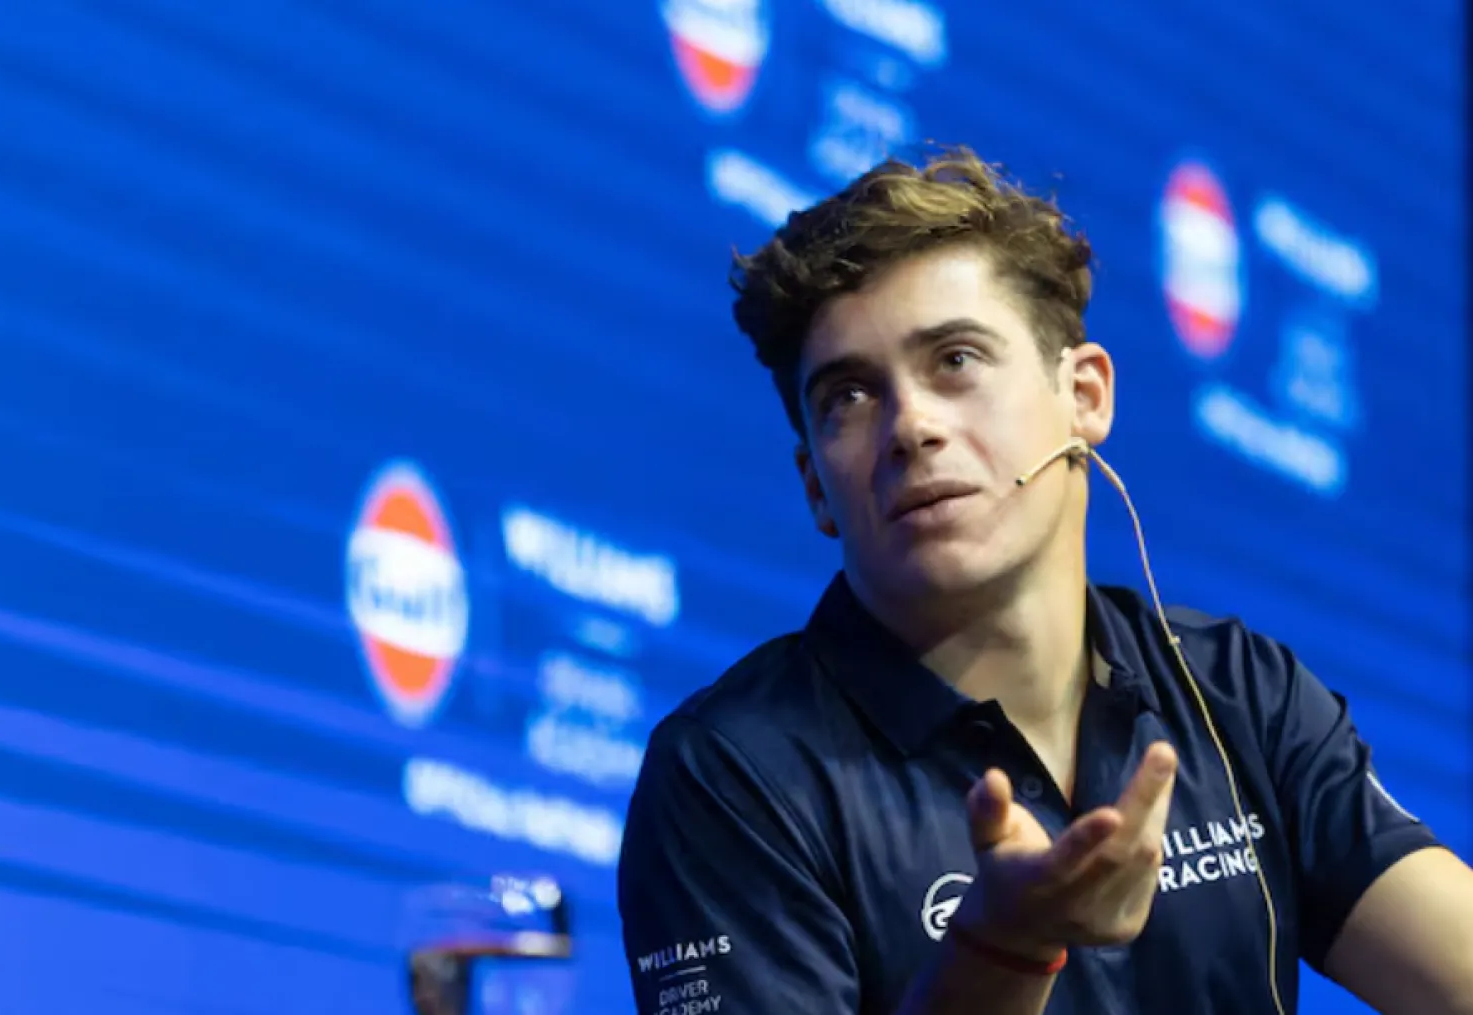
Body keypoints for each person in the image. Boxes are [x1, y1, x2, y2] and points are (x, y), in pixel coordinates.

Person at [616, 148, 1473, 1014]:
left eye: (954, 359)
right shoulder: (729, 775)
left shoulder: (1240, 694)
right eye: (849, 396)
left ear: (1086, 396)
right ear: (815, 487)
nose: (910, 425)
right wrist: (1005, 946)